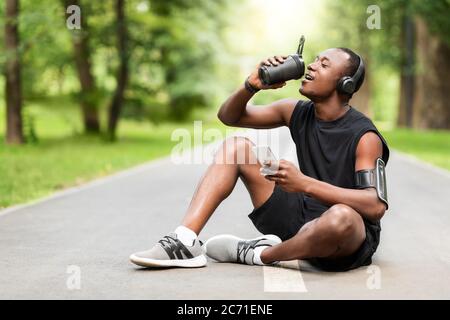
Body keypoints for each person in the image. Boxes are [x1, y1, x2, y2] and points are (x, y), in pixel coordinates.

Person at [129, 47, 390, 272]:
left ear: (345, 83)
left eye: (324, 64)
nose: (311, 65)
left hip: (345, 237)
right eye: (314, 59)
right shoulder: (295, 111)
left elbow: (375, 205)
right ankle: (184, 241)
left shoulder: (364, 135)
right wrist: (252, 84)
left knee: (340, 217)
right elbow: (230, 117)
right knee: (237, 147)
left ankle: (259, 254)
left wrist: (304, 183)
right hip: (299, 218)